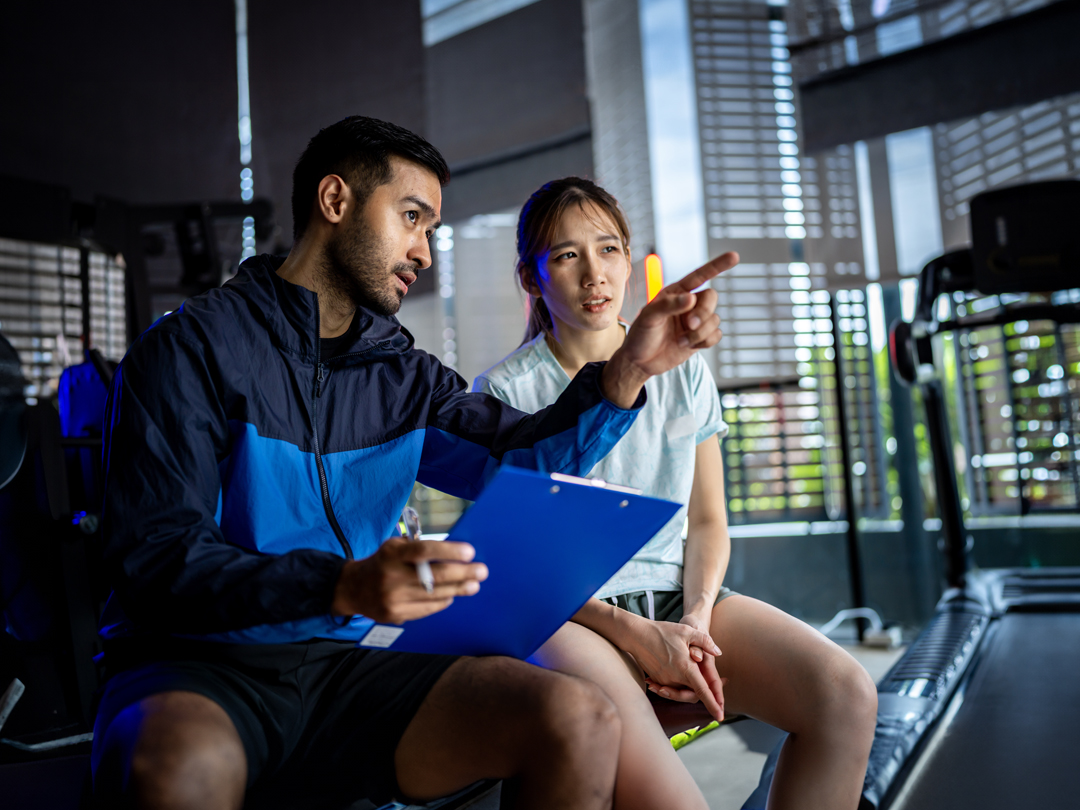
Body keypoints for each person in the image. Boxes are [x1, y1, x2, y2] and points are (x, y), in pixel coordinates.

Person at [89, 118, 732, 810]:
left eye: (431, 230)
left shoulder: (402, 375)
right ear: (335, 203)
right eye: (412, 219)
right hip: (201, 666)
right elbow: (158, 560)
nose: (425, 252)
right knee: (180, 767)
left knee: (577, 717)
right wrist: (341, 586)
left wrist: (625, 372)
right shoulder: (189, 349)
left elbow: (520, 463)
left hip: (345, 667)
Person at [474, 177, 878, 810]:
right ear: (532, 278)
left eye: (608, 251)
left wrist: (693, 620)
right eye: (566, 255)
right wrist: (635, 635)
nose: (593, 274)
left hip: (675, 596)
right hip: (573, 614)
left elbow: (709, 521)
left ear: (629, 263)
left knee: (845, 692)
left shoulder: (683, 366)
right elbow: (521, 566)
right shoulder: (504, 391)